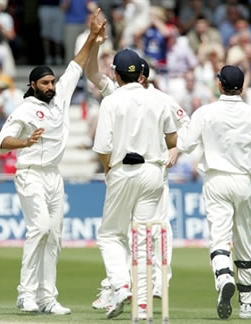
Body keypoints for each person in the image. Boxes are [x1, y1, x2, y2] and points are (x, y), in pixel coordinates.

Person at [0, 9, 105, 315]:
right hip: (29, 173)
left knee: (55, 236)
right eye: (44, 83)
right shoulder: (25, 109)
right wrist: (26, 141)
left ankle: (47, 297)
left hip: (53, 177)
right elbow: (3, 141)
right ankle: (25, 293)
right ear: (33, 85)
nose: (50, 86)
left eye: (51, 82)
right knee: (40, 228)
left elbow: (77, 64)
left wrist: (95, 35)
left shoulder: (60, 97)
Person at [177, 66, 251, 320]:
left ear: (219, 84)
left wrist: (185, 124)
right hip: (244, 180)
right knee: (244, 238)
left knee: (219, 238)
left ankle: (224, 279)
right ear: (242, 87)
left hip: (216, 179)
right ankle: (247, 303)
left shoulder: (205, 112)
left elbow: (184, 145)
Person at [86, 41, 188, 318]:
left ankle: (120, 286)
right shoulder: (159, 99)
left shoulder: (111, 100)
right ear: (141, 74)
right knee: (142, 237)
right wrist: (170, 151)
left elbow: (102, 149)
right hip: (153, 173)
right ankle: (142, 305)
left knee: (110, 235)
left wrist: (109, 171)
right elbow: (173, 138)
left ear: (117, 75)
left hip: (123, 171)